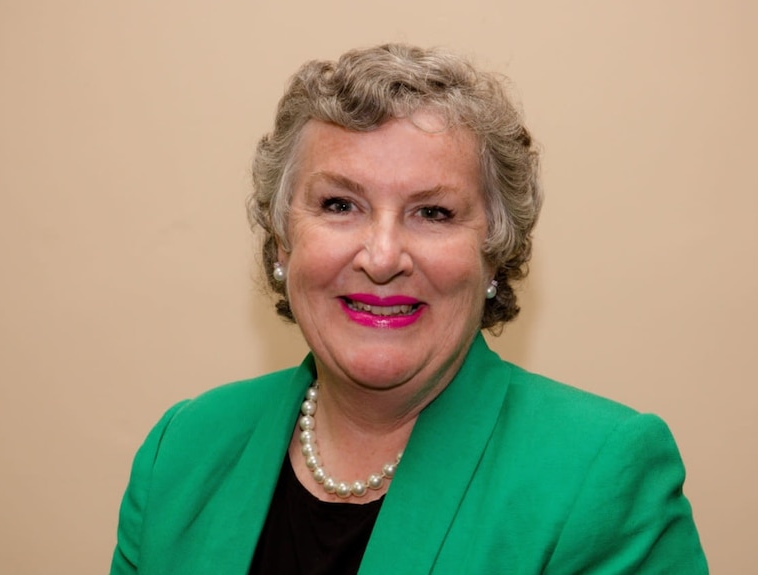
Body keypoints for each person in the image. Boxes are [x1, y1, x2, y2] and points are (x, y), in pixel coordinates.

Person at [110, 43, 707, 574]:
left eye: (434, 213)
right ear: (283, 242)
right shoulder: (183, 449)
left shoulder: (601, 474)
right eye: (341, 205)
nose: (383, 255)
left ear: (494, 254)